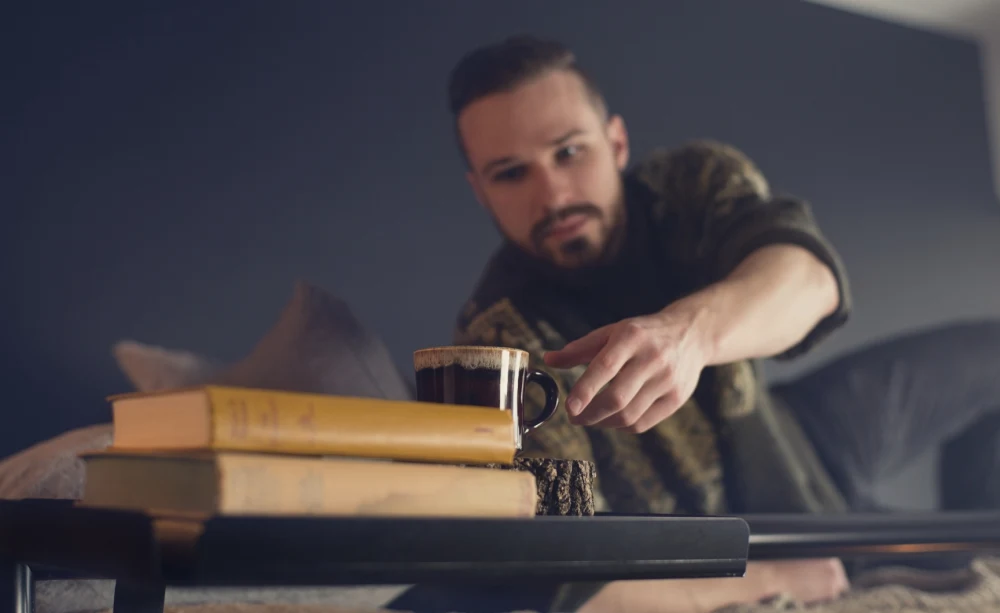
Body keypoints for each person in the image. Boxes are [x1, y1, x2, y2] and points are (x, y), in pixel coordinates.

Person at [446, 34, 1000, 611]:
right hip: (763, 531)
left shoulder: (689, 183)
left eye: (569, 152)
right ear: (480, 191)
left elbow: (811, 281)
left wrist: (690, 334)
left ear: (616, 141)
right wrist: (766, 580)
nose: (554, 195)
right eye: (511, 174)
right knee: (971, 560)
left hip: (795, 430)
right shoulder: (496, 345)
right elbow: (566, 580)